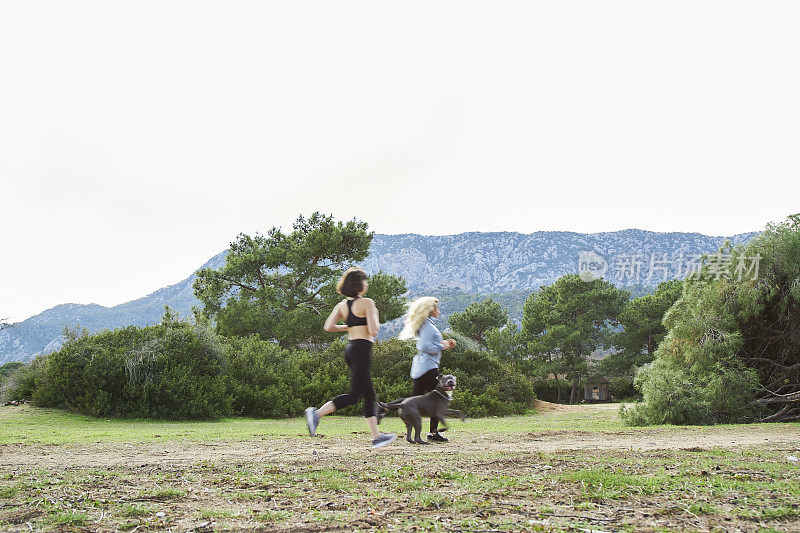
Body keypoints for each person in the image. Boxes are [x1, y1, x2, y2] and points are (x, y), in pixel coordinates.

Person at [304, 267, 397, 449]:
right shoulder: (368, 303)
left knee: (369, 394)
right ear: (359, 284)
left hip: (350, 348)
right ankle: (316, 414)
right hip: (362, 348)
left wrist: (348, 327)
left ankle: (377, 436)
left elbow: (329, 327)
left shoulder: (342, 305)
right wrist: (374, 314)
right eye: (365, 280)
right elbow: (373, 330)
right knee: (355, 395)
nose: (367, 284)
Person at [398, 296, 456, 442]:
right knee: (439, 399)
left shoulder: (424, 324)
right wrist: (443, 346)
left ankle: (409, 432)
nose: (439, 310)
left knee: (414, 401)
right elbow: (424, 346)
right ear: (430, 310)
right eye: (436, 308)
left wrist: (441, 343)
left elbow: (426, 345)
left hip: (419, 368)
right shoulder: (429, 327)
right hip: (429, 368)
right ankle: (433, 433)